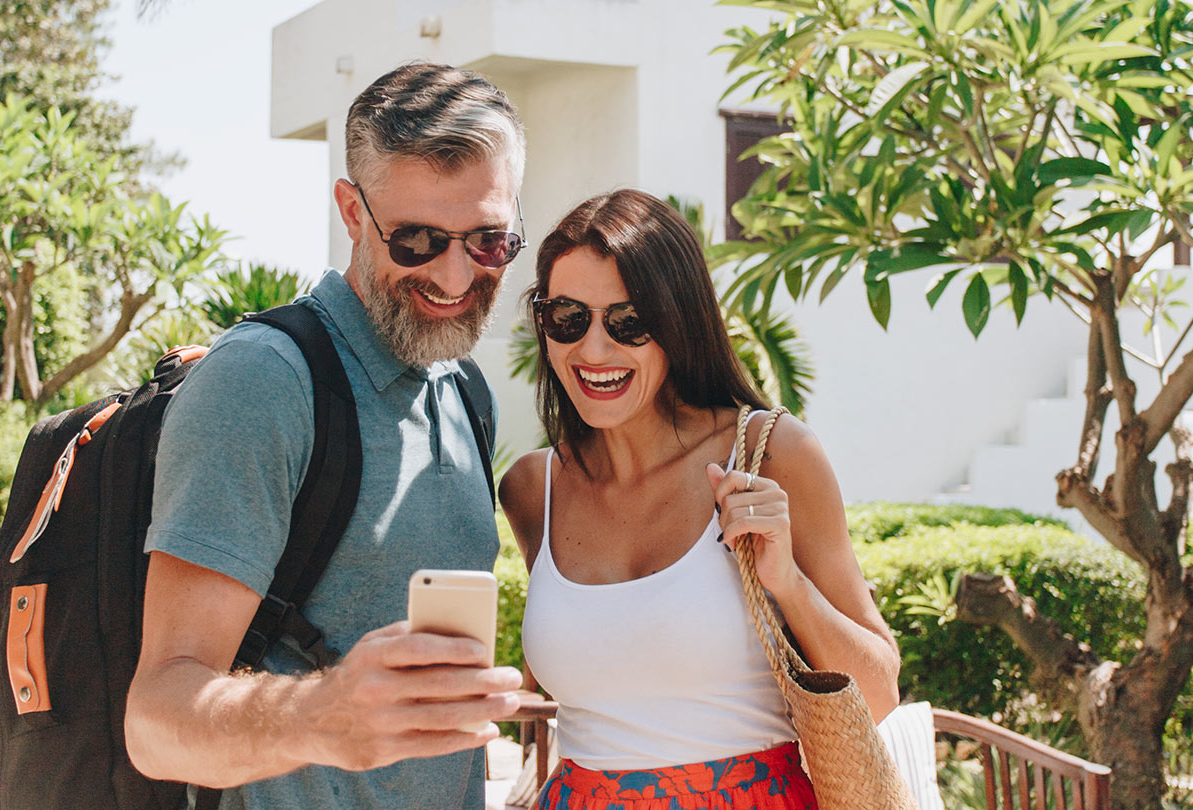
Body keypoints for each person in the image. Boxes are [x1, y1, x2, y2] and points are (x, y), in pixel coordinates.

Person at [125, 63, 528, 810]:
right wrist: (319, 716)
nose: (453, 274)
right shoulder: (263, 381)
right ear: (351, 210)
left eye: (488, 241)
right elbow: (156, 720)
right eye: (415, 240)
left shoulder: (464, 389)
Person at [499, 189, 903, 810]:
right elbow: (589, 674)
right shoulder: (533, 489)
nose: (595, 350)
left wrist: (787, 580)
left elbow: (877, 695)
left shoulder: (773, 453)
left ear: (677, 322)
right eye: (568, 318)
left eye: (628, 322)